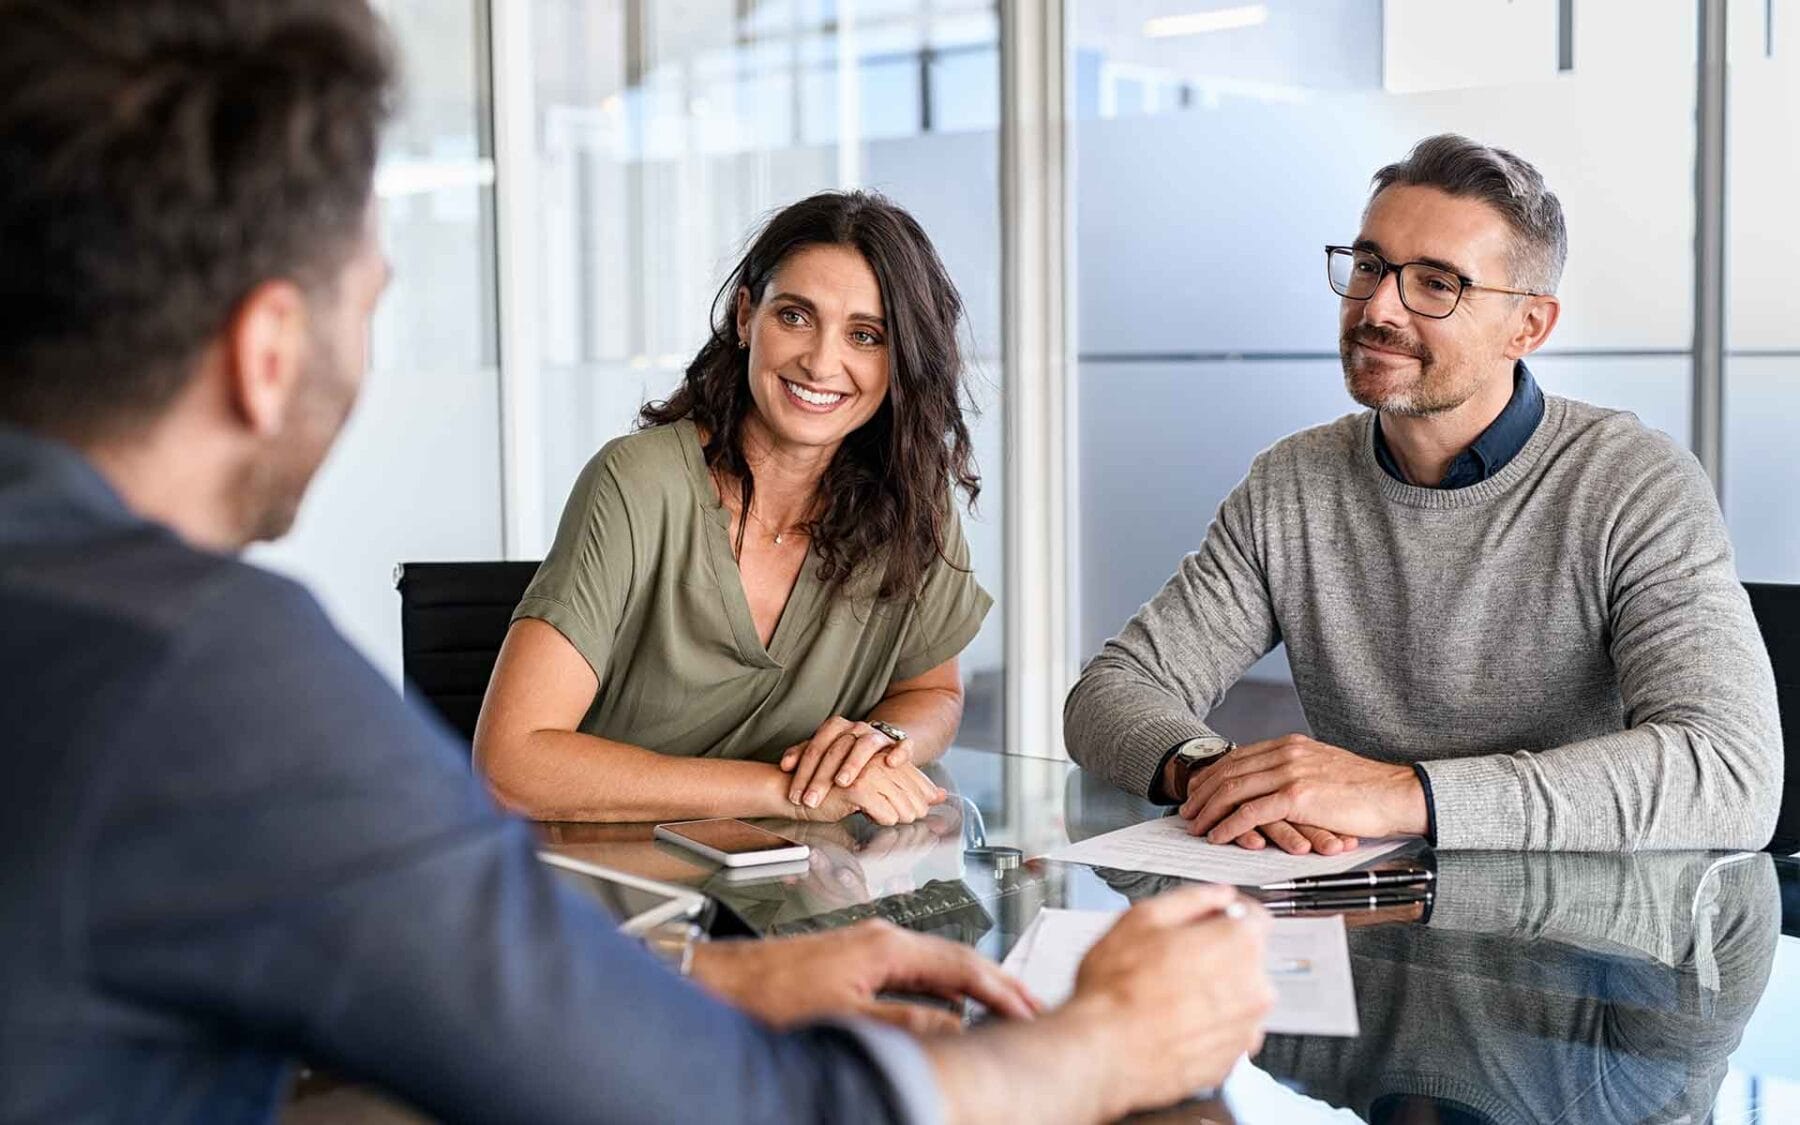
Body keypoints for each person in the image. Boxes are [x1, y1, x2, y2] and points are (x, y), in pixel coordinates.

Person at [0, 1, 1276, 1122]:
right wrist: (1101, 1043)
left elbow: (428, 981)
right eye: (375, 297)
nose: (824, 358)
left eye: (867, 336)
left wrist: (716, 974)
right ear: (268, 349)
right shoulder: (208, 680)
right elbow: (743, 1104)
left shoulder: (85, 627)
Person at [1065, 134, 1782, 854]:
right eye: (1369, 266)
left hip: (1582, 914)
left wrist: (1400, 794)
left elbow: (1728, 774)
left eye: (1437, 284)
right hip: (1353, 900)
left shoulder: (1633, 483)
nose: (1378, 307)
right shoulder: (1292, 483)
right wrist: (1214, 773)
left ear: (1528, 326)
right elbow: (1112, 690)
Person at [476, 191, 991, 826]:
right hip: (607, 873)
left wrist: (880, 742)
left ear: (901, 358)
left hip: (804, 877)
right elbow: (511, 766)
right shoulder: (637, 483)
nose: (821, 362)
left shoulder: (912, 500)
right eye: (795, 317)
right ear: (746, 317)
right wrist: (784, 792)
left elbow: (932, 690)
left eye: (865, 336)